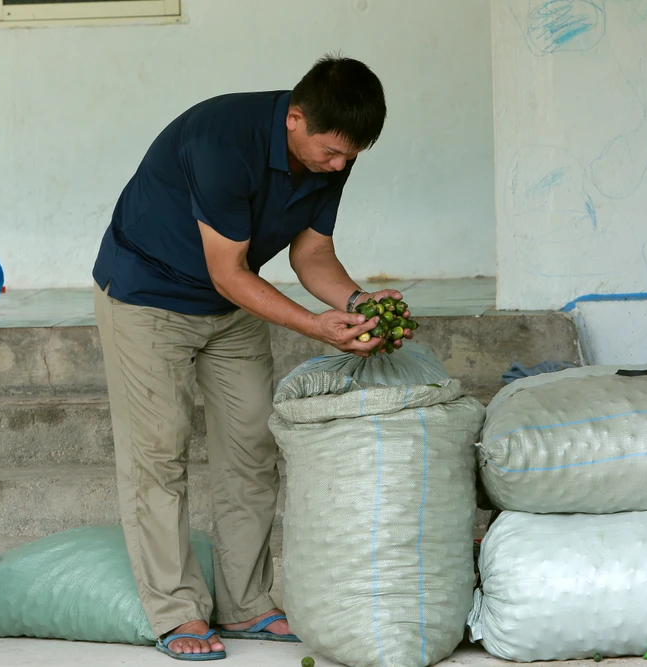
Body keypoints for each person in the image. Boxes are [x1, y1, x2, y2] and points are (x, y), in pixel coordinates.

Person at [91, 54, 411, 661]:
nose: (340, 167)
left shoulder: (329, 151)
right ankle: (177, 613)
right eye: (333, 154)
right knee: (158, 453)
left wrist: (362, 302)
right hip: (148, 297)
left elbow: (312, 256)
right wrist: (319, 326)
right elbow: (228, 272)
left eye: (350, 158)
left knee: (252, 449)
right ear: (295, 118)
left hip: (230, 306)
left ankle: (246, 604)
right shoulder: (224, 140)